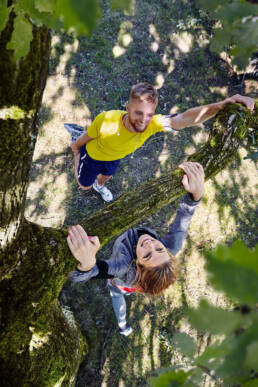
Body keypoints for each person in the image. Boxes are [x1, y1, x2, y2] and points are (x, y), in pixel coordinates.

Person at [67, 161, 204, 336]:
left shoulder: (122, 266)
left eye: (147, 255)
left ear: (138, 263)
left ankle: (123, 325)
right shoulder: (171, 248)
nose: (150, 244)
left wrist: (86, 264)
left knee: (117, 294)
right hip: (142, 282)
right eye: (160, 249)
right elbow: (182, 222)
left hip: (123, 284)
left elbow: (88, 273)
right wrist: (196, 196)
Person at [70, 82, 254, 202]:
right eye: (138, 113)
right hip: (92, 156)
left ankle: (99, 186)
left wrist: (222, 105)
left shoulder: (152, 124)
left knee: (106, 176)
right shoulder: (106, 119)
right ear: (127, 107)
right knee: (84, 185)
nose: (143, 120)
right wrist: (77, 149)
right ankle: (82, 165)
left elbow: (184, 119)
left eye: (149, 114)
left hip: (115, 158)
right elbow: (86, 138)